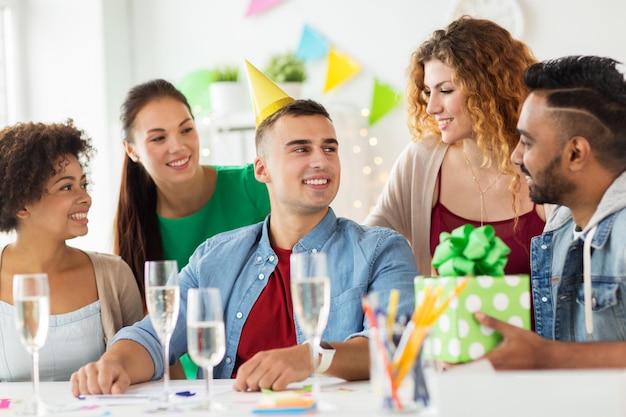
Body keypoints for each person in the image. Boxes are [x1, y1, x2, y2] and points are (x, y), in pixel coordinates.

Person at [70, 66, 417, 395]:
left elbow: (392, 344)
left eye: (330, 148)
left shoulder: (381, 251)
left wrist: (312, 357)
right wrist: (113, 364)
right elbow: (153, 336)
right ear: (262, 170)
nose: (321, 160)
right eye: (301, 148)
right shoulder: (214, 257)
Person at [476, 55, 626, 369]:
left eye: (527, 142)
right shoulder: (559, 232)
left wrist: (548, 357)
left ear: (575, 153)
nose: (516, 157)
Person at [364, 16, 546, 276]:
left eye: (446, 90)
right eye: (428, 91)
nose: (431, 107)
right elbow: (365, 248)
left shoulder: (545, 161)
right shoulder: (421, 161)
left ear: (489, 91)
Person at [116, 79, 271, 378]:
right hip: (193, 386)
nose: (178, 146)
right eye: (158, 138)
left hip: (270, 370)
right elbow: (155, 336)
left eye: (186, 129)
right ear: (131, 150)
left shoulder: (254, 186)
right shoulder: (136, 228)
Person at [0, 120, 144, 381]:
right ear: (21, 206)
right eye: (67, 187)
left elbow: (150, 362)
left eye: (84, 184)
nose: (85, 197)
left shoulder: (114, 275)